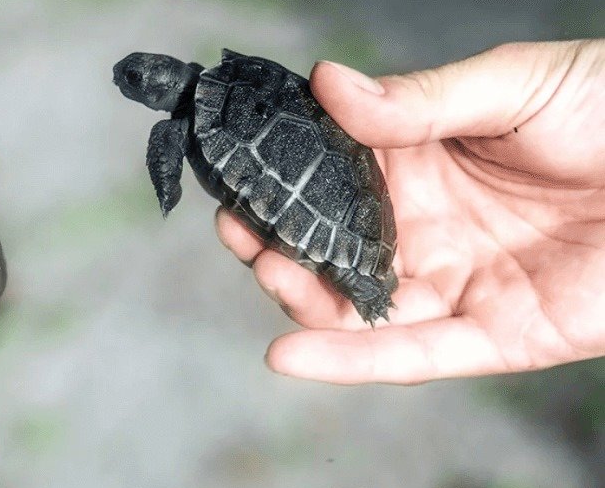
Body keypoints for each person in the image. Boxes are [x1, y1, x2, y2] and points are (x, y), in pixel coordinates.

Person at [215, 38, 605, 385]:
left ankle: (365, 284)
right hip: (347, 209)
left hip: (334, 203)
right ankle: (365, 279)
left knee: (344, 273)